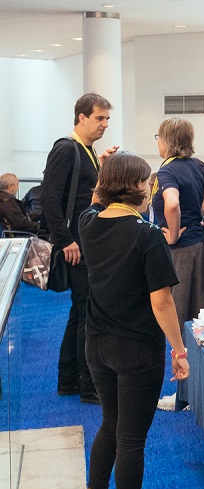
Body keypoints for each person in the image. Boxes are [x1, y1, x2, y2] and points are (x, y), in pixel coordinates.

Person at [75, 151, 189, 489]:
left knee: (110, 423)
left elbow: (93, 200)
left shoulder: (88, 223)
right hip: (136, 349)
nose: (152, 189)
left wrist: (106, 171)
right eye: (148, 182)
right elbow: (162, 303)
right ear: (139, 188)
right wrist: (180, 350)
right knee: (131, 438)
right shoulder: (145, 236)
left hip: (97, 343)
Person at [41, 92, 119, 403]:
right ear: (81, 117)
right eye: (100, 118)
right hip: (76, 245)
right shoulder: (65, 149)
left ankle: (70, 380)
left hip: (85, 243)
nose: (105, 125)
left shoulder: (85, 150)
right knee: (88, 314)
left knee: (81, 312)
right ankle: (88, 386)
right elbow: (49, 198)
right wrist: (66, 240)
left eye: (107, 119)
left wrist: (101, 165)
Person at [149, 118, 204, 328]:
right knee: (200, 319)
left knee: (176, 318)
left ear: (167, 141)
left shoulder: (167, 170)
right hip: (200, 247)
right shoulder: (198, 165)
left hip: (179, 250)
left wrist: (174, 234)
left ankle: (180, 359)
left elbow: (172, 204)